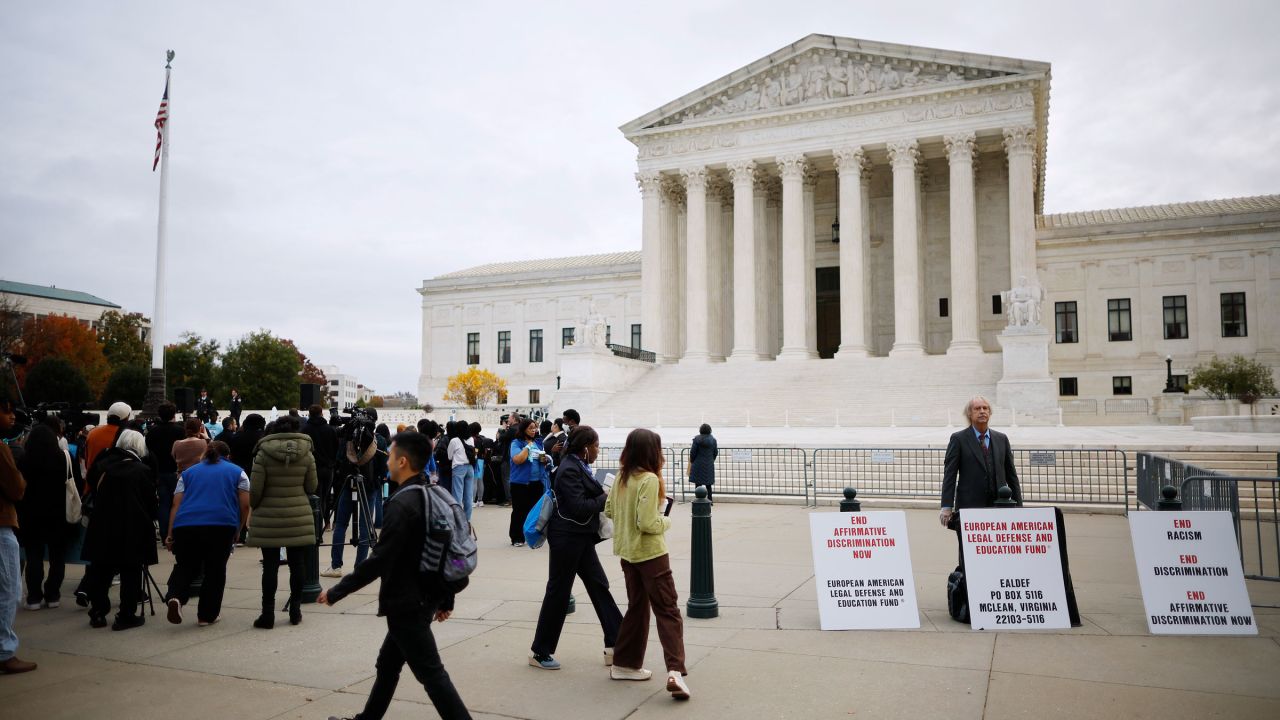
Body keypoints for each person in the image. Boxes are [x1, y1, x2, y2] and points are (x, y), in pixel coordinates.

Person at [319, 431, 471, 720]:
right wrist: (445, 598)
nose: (386, 461)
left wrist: (337, 591)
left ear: (402, 461)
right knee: (388, 664)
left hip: (407, 602)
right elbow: (447, 549)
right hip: (423, 598)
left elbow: (380, 560)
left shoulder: (403, 504)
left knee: (432, 675)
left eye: (389, 455)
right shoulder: (434, 495)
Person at [604, 428, 690, 700]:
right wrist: (666, 519)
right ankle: (675, 670)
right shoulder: (649, 479)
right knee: (668, 610)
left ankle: (625, 663)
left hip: (627, 552)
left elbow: (608, 510)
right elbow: (648, 523)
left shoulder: (621, 476)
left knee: (637, 607)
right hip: (651, 555)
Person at [529, 425, 622, 670]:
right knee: (558, 592)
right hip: (567, 538)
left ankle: (617, 643)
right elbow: (579, 507)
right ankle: (540, 651)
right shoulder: (570, 468)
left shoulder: (578, 465)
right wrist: (606, 496)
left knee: (599, 586)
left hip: (579, 537)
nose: (598, 451)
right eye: (596, 446)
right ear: (585, 448)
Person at [163, 440, 249, 626]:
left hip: (186, 524)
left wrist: (170, 533)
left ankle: (175, 596)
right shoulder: (238, 472)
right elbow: (245, 505)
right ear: (228, 456)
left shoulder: (187, 474)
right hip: (221, 524)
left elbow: (176, 504)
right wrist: (239, 529)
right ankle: (206, 615)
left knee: (185, 565)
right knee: (215, 571)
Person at [81, 429, 158, 631]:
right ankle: (126, 615)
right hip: (131, 526)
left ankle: (98, 612)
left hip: (102, 523)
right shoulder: (141, 470)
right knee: (130, 572)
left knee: (101, 570)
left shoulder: (102, 464)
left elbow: (91, 484)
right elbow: (151, 504)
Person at [246, 415, 317, 629]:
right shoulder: (307, 454)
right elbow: (312, 487)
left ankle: (267, 614)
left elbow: (255, 491)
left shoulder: (262, 454)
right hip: (297, 515)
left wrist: (255, 506)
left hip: (269, 516)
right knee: (298, 565)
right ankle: (295, 610)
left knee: (270, 566)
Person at [939, 396, 1023, 569]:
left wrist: (1019, 507)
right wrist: (946, 506)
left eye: (985, 408)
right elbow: (950, 474)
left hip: (998, 508)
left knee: (997, 551)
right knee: (969, 554)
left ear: (990, 412)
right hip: (969, 507)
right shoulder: (959, 439)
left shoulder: (1001, 439)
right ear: (969, 414)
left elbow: (1011, 475)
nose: (982, 411)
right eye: (977, 408)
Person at [16, 418, 72, 610]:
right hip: (58, 514)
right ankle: (53, 594)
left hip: (30, 514)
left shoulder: (23, 460)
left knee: (34, 556)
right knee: (58, 557)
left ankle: (34, 596)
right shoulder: (63, 458)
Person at [0, 393, 36, 673]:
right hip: (2, 524)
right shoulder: (2, 449)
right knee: (7, 590)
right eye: (7, 411)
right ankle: (4, 651)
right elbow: (16, 488)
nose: (12, 416)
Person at [324, 417, 382, 578]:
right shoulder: (379, 441)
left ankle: (336, 566)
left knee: (341, 524)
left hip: (349, 484)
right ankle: (361, 567)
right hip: (369, 486)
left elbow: (339, 459)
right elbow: (383, 465)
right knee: (365, 527)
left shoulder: (347, 440)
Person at [146, 402, 185, 540]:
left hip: (159, 471)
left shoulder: (152, 431)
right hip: (176, 470)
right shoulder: (180, 431)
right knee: (178, 502)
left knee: (163, 502)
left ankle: (164, 533)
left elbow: (148, 451)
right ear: (173, 415)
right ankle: (176, 531)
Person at [507, 418, 547, 547]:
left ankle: (532, 535)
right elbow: (518, 459)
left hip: (537, 482)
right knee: (519, 510)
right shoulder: (516, 443)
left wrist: (544, 459)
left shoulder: (539, 443)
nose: (534, 430)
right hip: (520, 483)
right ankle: (517, 537)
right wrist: (528, 447)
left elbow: (541, 459)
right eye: (530, 428)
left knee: (534, 511)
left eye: (535, 427)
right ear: (523, 429)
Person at [302, 405, 338, 530]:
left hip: (312, 468)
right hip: (328, 468)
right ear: (322, 413)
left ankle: (316, 527)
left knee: (315, 497)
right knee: (326, 496)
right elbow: (335, 448)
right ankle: (325, 522)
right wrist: (331, 462)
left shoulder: (305, 430)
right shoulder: (329, 429)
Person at [83, 402, 131, 477]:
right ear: (126, 418)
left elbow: (86, 460)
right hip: (111, 484)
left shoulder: (92, 433)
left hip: (91, 482)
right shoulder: (127, 436)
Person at [447, 421, 476, 521]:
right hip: (470, 468)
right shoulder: (471, 439)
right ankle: (467, 519)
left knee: (457, 495)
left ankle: (458, 520)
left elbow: (449, 456)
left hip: (459, 468)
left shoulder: (454, 440)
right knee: (468, 495)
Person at [687, 424, 718, 503]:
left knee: (698, 483)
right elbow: (715, 452)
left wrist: (692, 460)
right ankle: (710, 500)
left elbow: (693, 452)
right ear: (710, 430)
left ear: (700, 430)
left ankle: (698, 500)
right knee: (708, 484)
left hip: (698, 464)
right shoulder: (713, 440)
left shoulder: (696, 439)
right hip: (709, 464)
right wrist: (711, 460)